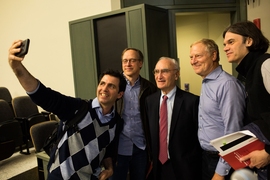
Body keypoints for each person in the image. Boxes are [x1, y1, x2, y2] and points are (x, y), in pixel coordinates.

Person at [8, 40, 126, 180]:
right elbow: (43, 95)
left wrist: (110, 169)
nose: (104, 89)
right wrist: (17, 67)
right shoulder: (78, 108)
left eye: (111, 86)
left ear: (120, 94)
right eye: (102, 83)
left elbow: (109, 151)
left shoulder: (116, 122)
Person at [189, 38, 246, 180]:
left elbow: (233, 131)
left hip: (222, 161)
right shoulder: (207, 82)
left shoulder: (227, 84)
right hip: (207, 157)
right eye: (191, 57)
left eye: (198, 56)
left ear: (214, 56)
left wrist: (221, 171)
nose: (193, 61)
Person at [223, 21, 270, 180]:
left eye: (231, 42)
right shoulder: (244, 74)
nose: (225, 48)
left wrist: (268, 154)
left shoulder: (266, 65)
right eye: (224, 44)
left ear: (249, 41)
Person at [145, 57, 202, 180]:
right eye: (156, 71)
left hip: (184, 169)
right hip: (158, 168)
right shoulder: (150, 101)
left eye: (164, 71)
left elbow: (198, 138)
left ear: (176, 75)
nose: (159, 76)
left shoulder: (192, 101)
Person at [111, 48, 157, 180]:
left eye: (132, 60)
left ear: (141, 63)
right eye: (125, 61)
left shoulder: (150, 88)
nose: (128, 64)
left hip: (141, 148)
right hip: (118, 148)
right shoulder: (113, 86)